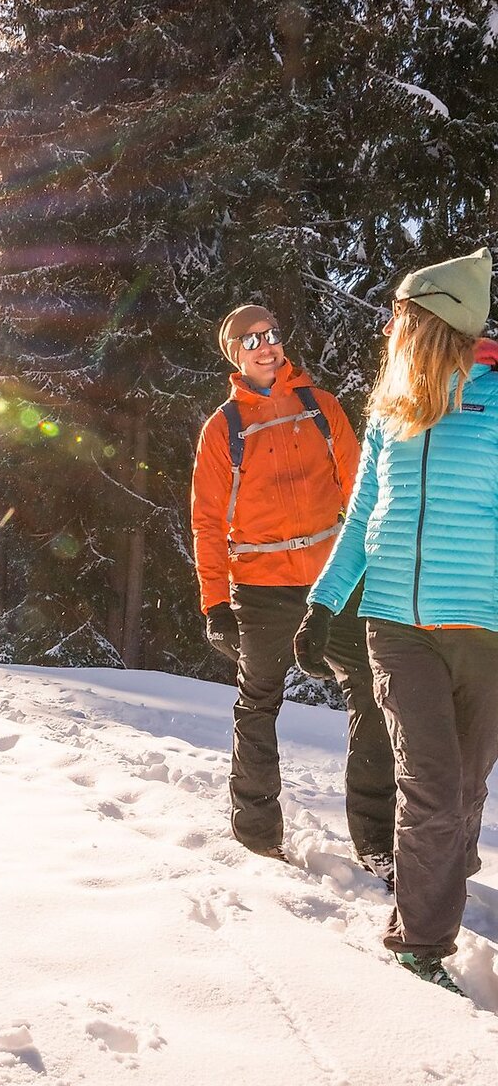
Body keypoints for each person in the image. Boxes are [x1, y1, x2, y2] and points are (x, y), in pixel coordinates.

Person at [294, 247, 498, 996]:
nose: (390, 325)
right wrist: (323, 602)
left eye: (403, 314)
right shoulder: (391, 406)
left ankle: (441, 876)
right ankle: (418, 943)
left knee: (465, 787)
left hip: (484, 627)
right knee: (434, 787)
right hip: (395, 626)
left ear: (436, 322)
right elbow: (359, 519)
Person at [191, 304, 395, 869]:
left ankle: (376, 841)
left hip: (335, 582)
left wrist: (372, 564)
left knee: (371, 695)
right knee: (258, 702)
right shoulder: (223, 429)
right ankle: (258, 834)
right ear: (236, 354)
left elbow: (363, 494)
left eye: (274, 334)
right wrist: (215, 603)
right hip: (259, 589)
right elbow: (208, 522)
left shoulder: (322, 408)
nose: (267, 345)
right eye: (252, 339)